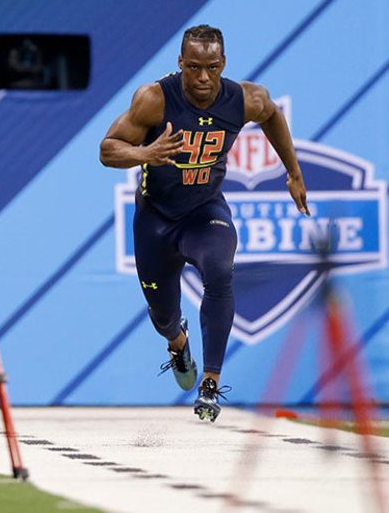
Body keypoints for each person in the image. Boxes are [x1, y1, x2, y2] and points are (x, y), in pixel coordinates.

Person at [98, 24, 309, 421]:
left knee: (219, 270)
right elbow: (107, 150)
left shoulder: (243, 98)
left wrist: (293, 172)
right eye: (193, 67)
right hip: (156, 219)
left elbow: (272, 116)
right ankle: (178, 344)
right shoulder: (154, 99)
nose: (202, 77)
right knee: (163, 315)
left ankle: (210, 382)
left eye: (211, 67)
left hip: (204, 213)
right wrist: (146, 152)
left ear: (223, 64)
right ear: (180, 64)